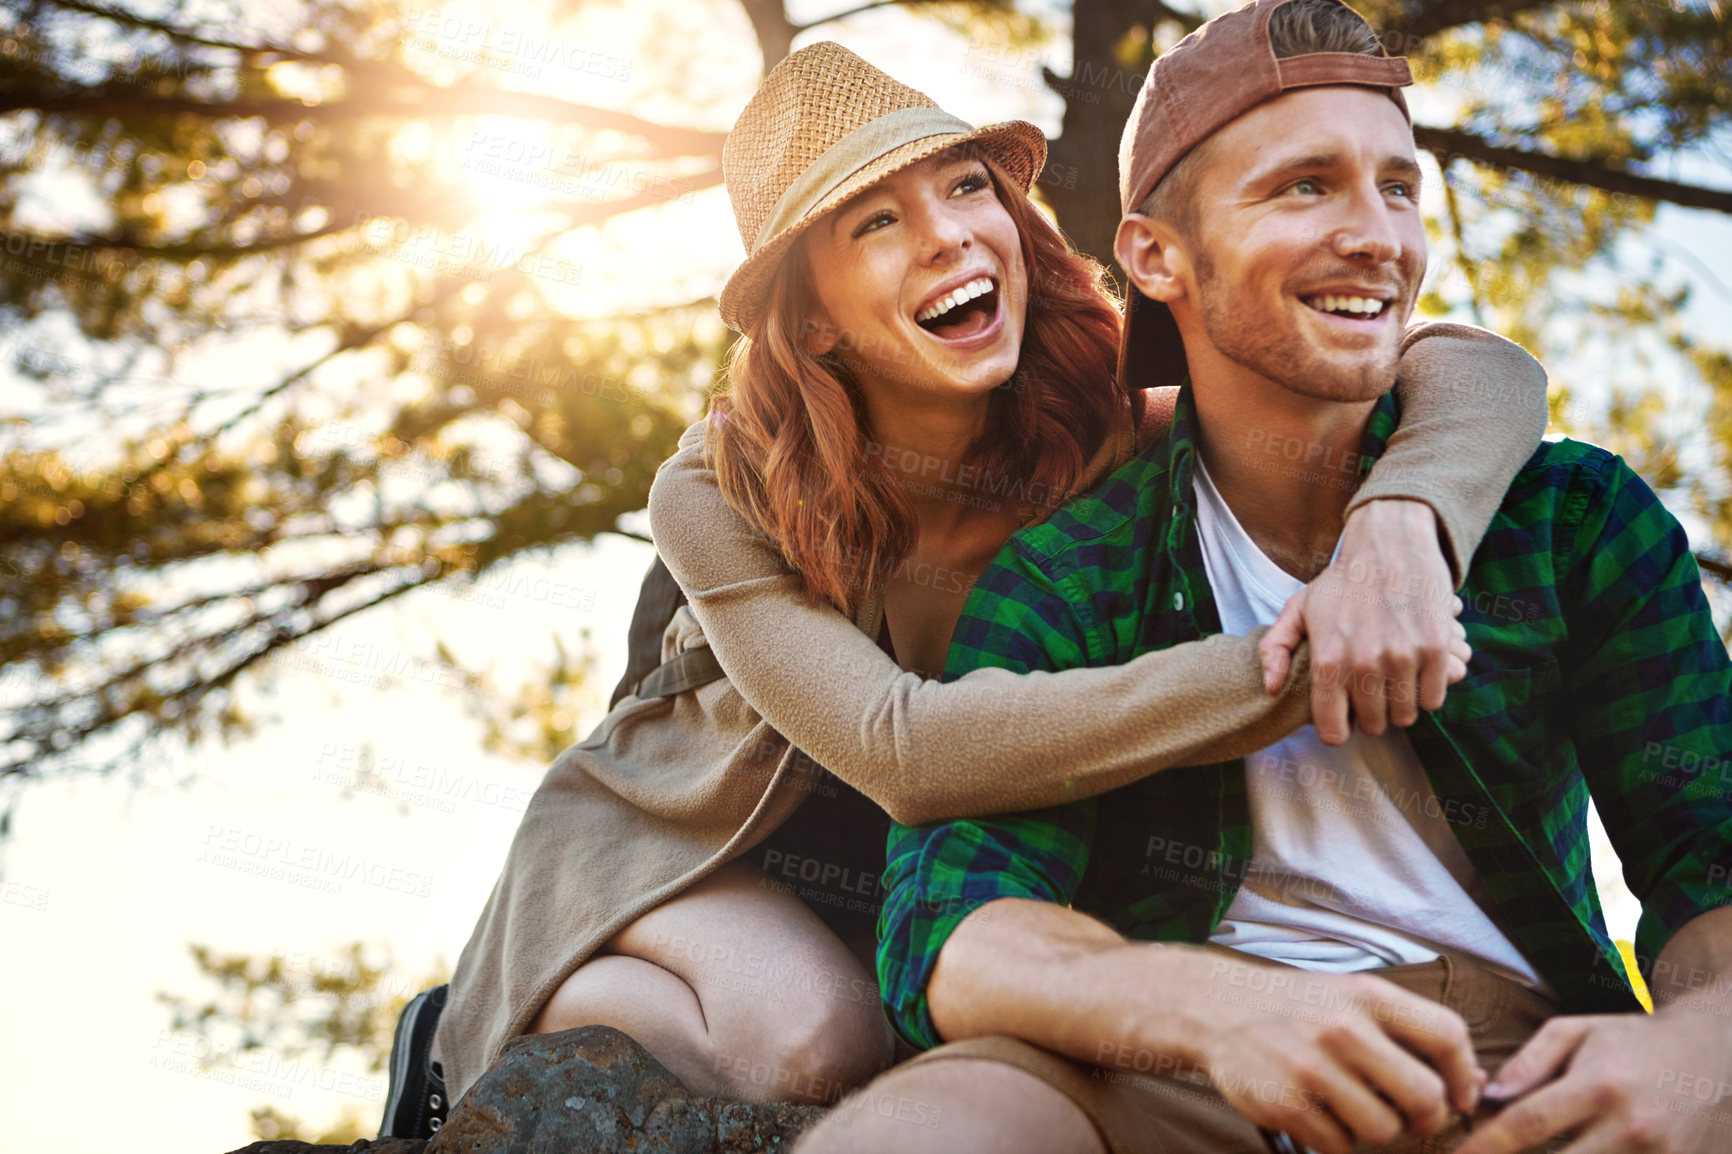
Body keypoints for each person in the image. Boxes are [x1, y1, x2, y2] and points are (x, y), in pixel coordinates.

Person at [380, 39, 1554, 1139]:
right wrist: (1301, 662)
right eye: (875, 222)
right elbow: (905, 749)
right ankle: (486, 1014)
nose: (947, 236)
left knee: (930, 1034)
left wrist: (1401, 531)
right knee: (815, 1045)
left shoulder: (1100, 417)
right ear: (816, 315)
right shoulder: (716, 478)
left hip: (920, 865)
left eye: (965, 188)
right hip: (688, 839)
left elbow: (1475, 368)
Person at [801, 4, 1732, 1153]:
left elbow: (1708, 846)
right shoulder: (1071, 569)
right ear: (1153, 255)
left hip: (1513, 1065)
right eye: (1304, 187)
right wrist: (1221, 1009)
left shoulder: (1571, 519)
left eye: (1399, 187)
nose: (1377, 237)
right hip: (1171, 1061)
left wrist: (1702, 1045)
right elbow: (952, 922)